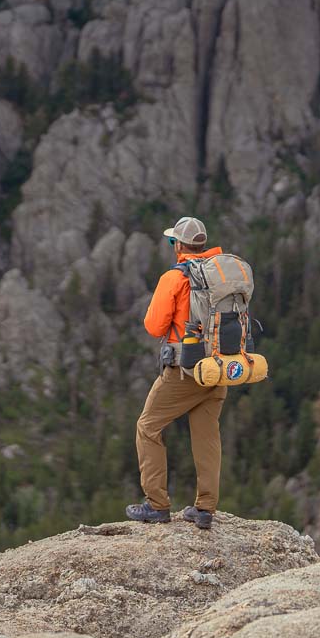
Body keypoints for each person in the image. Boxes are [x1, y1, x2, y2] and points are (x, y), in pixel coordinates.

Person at [125, 215, 225, 529]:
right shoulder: (221, 271)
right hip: (220, 367)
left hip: (186, 371)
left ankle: (157, 504)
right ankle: (205, 509)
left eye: (173, 242)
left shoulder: (175, 277)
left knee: (148, 426)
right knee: (207, 436)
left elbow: (153, 325)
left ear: (178, 245)